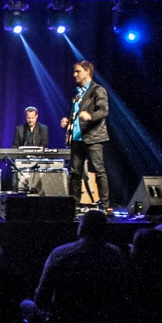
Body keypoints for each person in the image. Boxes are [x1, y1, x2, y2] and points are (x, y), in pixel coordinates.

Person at [59, 62, 110, 211]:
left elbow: (103, 111)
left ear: (88, 71)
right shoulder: (77, 93)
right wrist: (68, 121)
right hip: (77, 138)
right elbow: (76, 114)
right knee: (75, 173)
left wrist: (90, 116)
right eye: (74, 72)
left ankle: (105, 205)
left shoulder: (97, 90)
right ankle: (74, 205)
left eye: (78, 71)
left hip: (93, 138)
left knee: (99, 171)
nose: (74, 74)